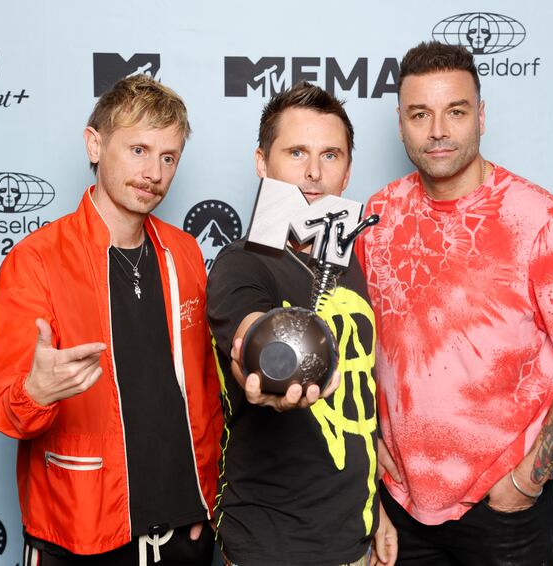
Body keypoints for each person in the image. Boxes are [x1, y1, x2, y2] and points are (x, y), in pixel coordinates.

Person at [356, 42, 553, 565]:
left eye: (455, 111)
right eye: (419, 114)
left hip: (503, 512)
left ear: (481, 116)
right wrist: (372, 459)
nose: (437, 131)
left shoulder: (538, 218)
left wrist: (526, 480)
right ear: (399, 123)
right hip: (399, 503)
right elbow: (358, 347)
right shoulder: (377, 215)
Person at [0, 75, 222, 566]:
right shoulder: (37, 261)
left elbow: (202, 387)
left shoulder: (184, 252)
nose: (153, 172)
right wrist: (37, 392)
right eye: (138, 149)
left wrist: (209, 493)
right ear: (95, 144)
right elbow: (4, 410)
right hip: (81, 532)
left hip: (185, 529)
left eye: (168, 157)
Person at [206, 81, 397, 566]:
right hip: (271, 546)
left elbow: (359, 396)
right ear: (261, 163)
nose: (314, 172)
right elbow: (250, 334)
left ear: (348, 170)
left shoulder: (346, 261)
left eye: (330, 155)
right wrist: (265, 369)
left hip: (352, 541)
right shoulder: (242, 263)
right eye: (296, 152)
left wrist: (374, 510)